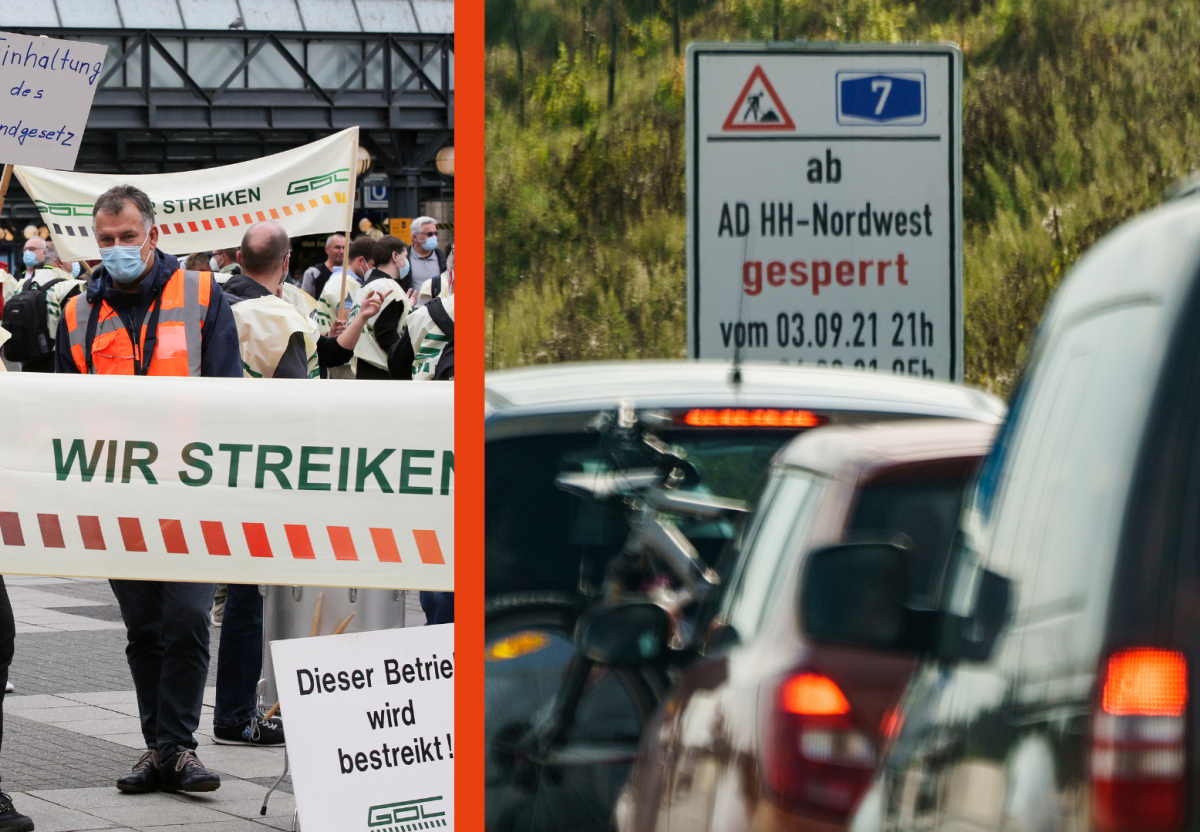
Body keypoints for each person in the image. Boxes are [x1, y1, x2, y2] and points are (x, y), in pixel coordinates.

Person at [55, 184, 240, 794]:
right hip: (119, 496)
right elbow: (68, 407)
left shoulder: (204, 296)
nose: (116, 249)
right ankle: (161, 750)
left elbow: (229, 393)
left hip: (189, 491)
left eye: (126, 237)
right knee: (144, 630)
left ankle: (179, 746)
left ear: (152, 235)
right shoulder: (77, 311)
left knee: (187, 617)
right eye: (105, 240)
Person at [223, 221, 381, 379]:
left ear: (239, 258)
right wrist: (361, 317)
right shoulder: (288, 322)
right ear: (286, 263)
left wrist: (360, 318)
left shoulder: (214, 307)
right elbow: (298, 391)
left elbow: (332, 352)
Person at [1, 243, 85, 372]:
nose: (75, 265)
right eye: (72, 260)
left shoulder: (22, 285)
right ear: (61, 262)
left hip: (27, 356)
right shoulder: (69, 287)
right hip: (58, 360)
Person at [350, 235, 412, 380]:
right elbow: (386, 333)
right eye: (405, 256)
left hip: (364, 365)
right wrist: (404, 359)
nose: (407, 261)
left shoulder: (367, 285)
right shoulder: (388, 288)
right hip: (383, 370)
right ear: (395, 256)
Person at [408, 217, 445, 302]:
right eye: (430, 234)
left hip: (437, 312)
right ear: (415, 237)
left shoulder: (442, 258)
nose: (434, 237)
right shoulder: (404, 259)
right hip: (412, 312)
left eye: (436, 233)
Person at [300, 233, 345, 299]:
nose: (342, 251)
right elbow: (304, 302)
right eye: (337, 247)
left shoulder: (350, 273)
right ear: (327, 249)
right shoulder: (313, 273)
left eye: (345, 247)